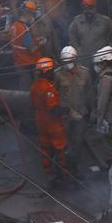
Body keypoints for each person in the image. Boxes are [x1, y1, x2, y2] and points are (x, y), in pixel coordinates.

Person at [55, 46, 93, 179]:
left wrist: (90, 112)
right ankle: (63, 167)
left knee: (78, 141)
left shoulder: (85, 73)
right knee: (64, 141)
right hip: (64, 115)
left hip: (80, 114)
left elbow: (89, 94)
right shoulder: (58, 74)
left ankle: (74, 166)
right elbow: (55, 95)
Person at [30, 57, 68, 186]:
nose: (53, 73)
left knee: (45, 148)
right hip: (52, 124)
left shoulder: (34, 86)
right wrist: (66, 110)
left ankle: (48, 173)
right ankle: (63, 174)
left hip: (40, 121)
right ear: (46, 72)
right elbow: (53, 109)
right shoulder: (48, 89)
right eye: (51, 71)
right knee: (60, 147)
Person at [69, 0, 112, 68]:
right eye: (85, 8)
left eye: (90, 8)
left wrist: (110, 47)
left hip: (101, 60)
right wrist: (78, 49)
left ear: (95, 8)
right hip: (84, 59)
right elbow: (72, 36)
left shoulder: (105, 21)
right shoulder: (77, 21)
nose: (88, 11)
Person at [9, 0, 43, 89]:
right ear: (29, 13)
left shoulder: (15, 25)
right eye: (33, 14)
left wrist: (35, 40)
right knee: (28, 90)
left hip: (18, 62)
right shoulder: (24, 30)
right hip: (27, 64)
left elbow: (20, 43)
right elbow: (32, 50)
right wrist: (42, 44)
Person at [94, 46, 112, 136]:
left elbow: (103, 102)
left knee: (109, 144)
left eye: (98, 64)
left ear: (104, 63)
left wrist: (99, 121)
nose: (96, 66)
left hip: (109, 118)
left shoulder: (106, 79)